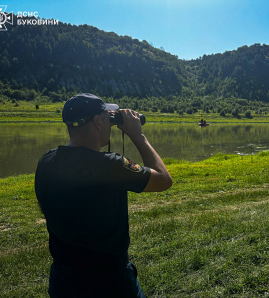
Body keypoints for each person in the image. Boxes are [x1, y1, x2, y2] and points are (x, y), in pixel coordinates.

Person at [35, 93, 172, 297]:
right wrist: (138, 135)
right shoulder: (109, 165)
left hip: (63, 278)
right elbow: (163, 180)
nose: (111, 123)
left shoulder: (46, 162)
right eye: (108, 117)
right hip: (108, 281)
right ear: (98, 121)